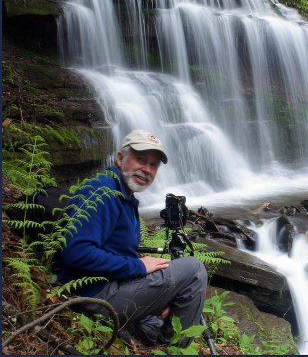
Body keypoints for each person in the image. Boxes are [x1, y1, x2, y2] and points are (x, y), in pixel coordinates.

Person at [58, 129, 208, 347]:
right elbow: (75, 252)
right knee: (194, 270)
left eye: (153, 165)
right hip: (93, 295)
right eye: (140, 159)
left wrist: (167, 295)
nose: (146, 169)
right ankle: (177, 349)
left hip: (111, 287)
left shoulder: (124, 196)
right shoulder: (102, 192)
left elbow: (116, 251)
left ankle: (162, 343)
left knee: (153, 328)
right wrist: (138, 266)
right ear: (120, 158)